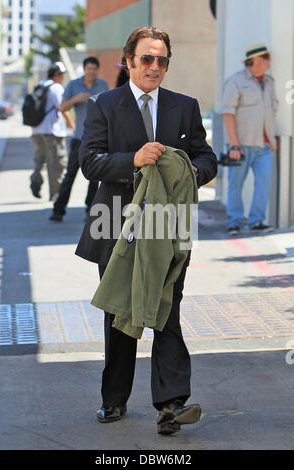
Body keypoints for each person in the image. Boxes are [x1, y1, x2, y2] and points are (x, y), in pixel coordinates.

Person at [76, 27, 217, 435]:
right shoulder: (104, 104)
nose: (155, 66)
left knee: (167, 310)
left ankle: (172, 404)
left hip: (169, 227)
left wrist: (191, 171)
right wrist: (133, 159)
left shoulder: (185, 106)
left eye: (162, 60)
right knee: (120, 311)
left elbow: (206, 156)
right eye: (147, 59)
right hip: (116, 223)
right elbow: (90, 162)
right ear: (129, 61)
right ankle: (113, 401)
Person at [221, 43, 278, 236]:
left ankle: (256, 221)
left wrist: (272, 138)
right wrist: (234, 144)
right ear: (254, 61)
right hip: (241, 145)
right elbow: (227, 113)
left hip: (265, 146)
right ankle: (234, 222)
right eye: (266, 59)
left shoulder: (269, 82)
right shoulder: (235, 81)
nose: (269, 62)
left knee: (263, 184)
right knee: (236, 185)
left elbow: (270, 112)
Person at [49, 57, 109, 221]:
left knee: (95, 177)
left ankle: (91, 210)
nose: (91, 71)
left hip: (98, 138)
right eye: (88, 68)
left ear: (97, 70)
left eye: (94, 69)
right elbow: (62, 108)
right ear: (84, 69)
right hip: (79, 138)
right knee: (70, 175)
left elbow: (109, 109)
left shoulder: (102, 85)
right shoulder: (73, 85)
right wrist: (76, 99)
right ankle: (58, 210)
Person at [30, 61, 74, 201]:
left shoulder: (40, 85)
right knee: (57, 162)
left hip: (36, 130)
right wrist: (72, 124)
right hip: (52, 131)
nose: (63, 77)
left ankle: (35, 180)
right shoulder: (56, 87)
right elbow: (62, 107)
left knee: (40, 160)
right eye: (62, 75)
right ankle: (55, 194)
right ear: (56, 75)